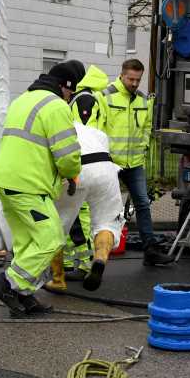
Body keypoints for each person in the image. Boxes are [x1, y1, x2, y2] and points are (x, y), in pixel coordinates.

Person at [0, 60, 84, 316]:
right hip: (29, 186)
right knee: (51, 238)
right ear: (66, 87)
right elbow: (67, 155)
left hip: (6, 182)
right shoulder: (56, 106)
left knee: (27, 242)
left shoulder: (22, 100)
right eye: (72, 92)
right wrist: (73, 175)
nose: (71, 97)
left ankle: (23, 296)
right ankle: (9, 284)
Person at [104, 59, 173, 266]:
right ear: (121, 75)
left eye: (138, 79)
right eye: (131, 79)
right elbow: (99, 127)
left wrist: (142, 147)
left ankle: (150, 251)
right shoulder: (106, 97)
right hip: (110, 162)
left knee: (143, 204)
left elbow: (146, 128)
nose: (134, 83)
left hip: (134, 162)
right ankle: (96, 251)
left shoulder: (143, 100)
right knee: (104, 207)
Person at [48, 114, 125, 292]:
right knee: (107, 222)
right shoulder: (91, 131)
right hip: (106, 168)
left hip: (77, 170)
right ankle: (99, 260)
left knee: (56, 226)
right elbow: (105, 143)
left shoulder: (54, 129)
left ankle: (58, 279)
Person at [60, 64, 112, 282]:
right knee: (81, 215)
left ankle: (84, 264)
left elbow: (83, 135)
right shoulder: (93, 97)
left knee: (79, 216)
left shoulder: (83, 99)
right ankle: (76, 262)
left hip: (83, 164)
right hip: (97, 162)